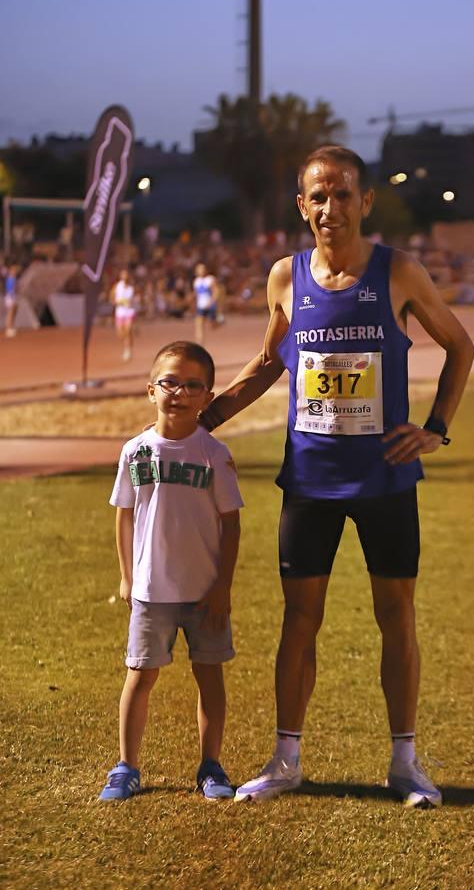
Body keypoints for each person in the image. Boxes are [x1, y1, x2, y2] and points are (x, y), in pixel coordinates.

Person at [199, 146, 474, 808]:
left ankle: (405, 763)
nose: (331, 208)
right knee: (300, 619)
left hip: (384, 479)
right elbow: (269, 363)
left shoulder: (398, 272)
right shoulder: (284, 277)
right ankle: (285, 758)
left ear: (365, 200)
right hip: (310, 480)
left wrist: (436, 427)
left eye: (343, 195)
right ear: (302, 205)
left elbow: (459, 345)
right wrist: (199, 422)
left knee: (396, 615)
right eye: (318, 197)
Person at [99, 341, 243, 801]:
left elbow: (231, 523)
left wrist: (223, 586)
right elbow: (123, 513)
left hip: (203, 591)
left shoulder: (213, 454)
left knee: (209, 675)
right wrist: (126, 575)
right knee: (139, 675)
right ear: (150, 390)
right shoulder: (135, 451)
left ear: (207, 395)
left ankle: (211, 766)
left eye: (192, 385)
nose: (179, 392)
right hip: (150, 589)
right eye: (170, 382)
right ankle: (126, 766)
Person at [111, 269, 137, 361]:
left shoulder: (132, 288)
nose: (125, 277)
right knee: (120, 334)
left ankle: (128, 350)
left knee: (128, 330)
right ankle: (128, 341)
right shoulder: (117, 287)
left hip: (129, 312)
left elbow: (138, 298)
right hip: (120, 312)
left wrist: (133, 302)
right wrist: (118, 302)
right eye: (123, 275)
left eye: (126, 275)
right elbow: (112, 298)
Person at [193, 263, 220, 344]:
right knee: (199, 324)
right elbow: (196, 295)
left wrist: (212, 302)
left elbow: (216, 291)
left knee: (213, 325)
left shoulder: (210, 279)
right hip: (201, 306)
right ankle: (200, 342)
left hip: (210, 306)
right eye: (199, 269)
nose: (201, 271)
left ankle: (220, 320)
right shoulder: (196, 281)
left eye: (203, 269)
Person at [3, 264, 18, 339]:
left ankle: (11, 327)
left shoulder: (13, 278)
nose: (15, 271)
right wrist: (11, 296)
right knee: (10, 313)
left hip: (12, 297)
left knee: (13, 312)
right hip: (10, 297)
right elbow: (9, 289)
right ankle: (8, 329)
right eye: (13, 270)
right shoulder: (10, 278)